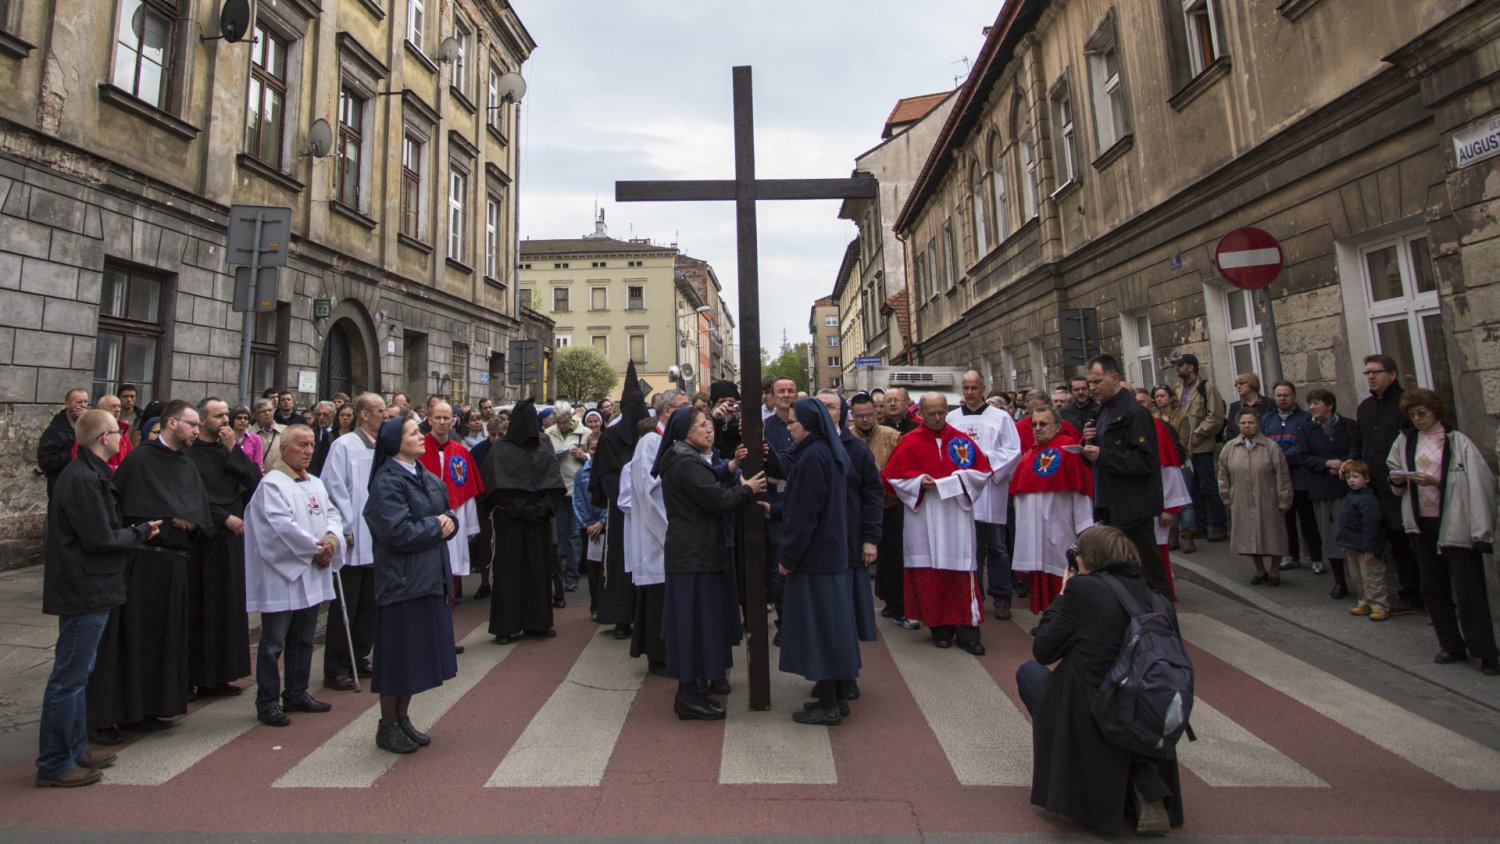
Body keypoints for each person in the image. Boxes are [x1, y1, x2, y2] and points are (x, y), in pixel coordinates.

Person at [1015, 525, 1184, 837]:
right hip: (1147, 713)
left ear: (1088, 559)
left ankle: (1080, 776)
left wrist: (1063, 594)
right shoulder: (1158, 599)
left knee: (1029, 673)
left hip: (1095, 715)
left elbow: (1044, 650)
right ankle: (1143, 779)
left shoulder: (1084, 591)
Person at [37, 409, 159, 788]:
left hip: (91, 585)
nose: (121, 437)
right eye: (116, 431)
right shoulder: (83, 480)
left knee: (79, 674)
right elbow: (100, 539)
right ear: (102, 438)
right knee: (69, 678)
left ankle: (74, 748)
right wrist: (139, 534)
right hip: (83, 588)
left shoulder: (90, 475)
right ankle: (56, 762)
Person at [89, 400, 212, 741]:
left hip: (175, 563)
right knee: (131, 642)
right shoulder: (140, 459)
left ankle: (149, 708)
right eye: (191, 423)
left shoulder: (188, 462)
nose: (196, 430)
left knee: (163, 641)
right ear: (171, 424)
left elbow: (198, 508)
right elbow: (127, 509)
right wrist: (170, 520)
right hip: (142, 565)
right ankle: (118, 713)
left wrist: (191, 523)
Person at [657, 407, 766, 720]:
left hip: (695, 552)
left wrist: (730, 467)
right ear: (685, 432)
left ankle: (696, 686)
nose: (710, 430)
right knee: (691, 625)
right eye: (702, 425)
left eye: (710, 425)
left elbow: (707, 482)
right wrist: (746, 489)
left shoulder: (686, 458)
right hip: (694, 555)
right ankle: (688, 696)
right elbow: (717, 499)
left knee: (698, 623)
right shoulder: (685, 462)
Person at [364, 416, 459, 753]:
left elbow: (447, 513)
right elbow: (395, 531)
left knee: (414, 657)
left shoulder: (426, 477)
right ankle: (387, 725)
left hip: (428, 576)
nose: (421, 436)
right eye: (413, 432)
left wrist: (449, 522)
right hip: (402, 580)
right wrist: (437, 526)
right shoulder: (386, 481)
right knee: (397, 657)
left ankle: (402, 719)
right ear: (395, 442)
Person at [1386, 388, 1498, 675]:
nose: (1417, 419)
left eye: (1421, 413)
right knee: (1433, 588)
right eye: (1412, 415)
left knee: (1468, 589)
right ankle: (1451, 644)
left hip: (1455, 522)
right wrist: (1397, 479)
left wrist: (1435, 481)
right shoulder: (1406, 440)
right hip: (1422, 524)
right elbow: (1394, 471)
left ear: (1435, 411)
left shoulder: (1457, 441)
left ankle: (1485, 651)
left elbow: (1479, 482)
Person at [242, 425, 343, 727]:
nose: (309, 450)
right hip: (283, 575)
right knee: (273, 643)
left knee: (303, 638)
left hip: (312, 571)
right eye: (302, 445)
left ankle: (297, 692)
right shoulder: (272, 485)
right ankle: (268, 701)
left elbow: (333, 515)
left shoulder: (315, 482)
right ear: (284, 449)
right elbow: (279, 527)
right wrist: (316, 549)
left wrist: (331, 541)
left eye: (311, 444)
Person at [881, 392, 994, 654]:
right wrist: (918, 482)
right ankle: (939, 628)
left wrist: (959, 480)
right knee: (929, 571)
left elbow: (981, 473)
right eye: (931, 413)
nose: (937, 418)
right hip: (925, 516)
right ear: (920, 413)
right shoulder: (909, 442)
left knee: (961, 570)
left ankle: (968, 631)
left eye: (941, 412)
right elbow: (892, 478)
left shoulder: (961, 440)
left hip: (956, 515)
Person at [773, 398, 861, 724]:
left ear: (808, 425)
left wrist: (789, 558)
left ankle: (828, 704)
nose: (789, 427)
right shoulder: (827, 451)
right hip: (831, 555)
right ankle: (836, 694)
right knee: (832, 627)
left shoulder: (812, 457)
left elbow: (804, 515)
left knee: (820, 630)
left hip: (815, 558)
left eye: (793, 422)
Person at [184, 398, 260, 698]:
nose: (226, 421)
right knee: (199, 608)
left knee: (227, 607)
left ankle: (219, 675)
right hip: (203, 539)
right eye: (219, 416)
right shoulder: (189, 454)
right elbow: (191, 494)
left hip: (231, 540)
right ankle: (192, 675)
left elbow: (253, 481)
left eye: (227, 415)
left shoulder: (229, 449)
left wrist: (233, 450)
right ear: (202, 420)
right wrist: (222, 518)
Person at [1080, 355, 1168, 595]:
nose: (1092, 388)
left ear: (1115, 378)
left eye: (1097, 382)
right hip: (1109, 502)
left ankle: (1162, 623)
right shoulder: (1101, 412)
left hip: (1132, 506)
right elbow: (1096, 456)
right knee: (1118, 572)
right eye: (1090, 383)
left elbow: (1145, 460)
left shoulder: (1134, 413)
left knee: (1146, 570)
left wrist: (1104, 455)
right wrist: (1087, 443)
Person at [483, 399, 566, 644]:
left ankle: (537, 622)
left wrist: (544, 507)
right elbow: (495, 489)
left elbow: (554, 485)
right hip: (511, 522)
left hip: (538, 521)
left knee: (539, 571)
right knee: (509, 572)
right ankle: (506, 626)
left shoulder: (542, 449)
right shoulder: (499, 451)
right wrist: (518, 508)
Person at [319, 392, 386, 692]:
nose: (385, 415)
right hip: (352, 537)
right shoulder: (343, 446)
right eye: (379, 410)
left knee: (370, 603)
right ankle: (335, 667)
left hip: (376, 536)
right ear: (363, 414)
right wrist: (344, 526)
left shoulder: (383, 447)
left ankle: (359, 654)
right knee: (347, 603)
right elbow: (333, 490)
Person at [947, 371, 1022, 619]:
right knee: (971, 548)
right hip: (965, 489)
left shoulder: (1000, 418)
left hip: (991, 489)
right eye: (966, 388)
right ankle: (974, 596)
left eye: (974, 388)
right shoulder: (952, 418)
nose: (969, 393)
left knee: (997, 547)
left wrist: (985, 462)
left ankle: (1002, 597)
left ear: (983, 388)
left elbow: (1012, 450)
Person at [625, 389, 691, 670]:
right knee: (658, 596)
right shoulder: (651, 442)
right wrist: (668, 532)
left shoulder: (672, 439)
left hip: (674, 529)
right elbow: (650, 491)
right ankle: (659, 656)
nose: (691, 411)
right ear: (667, 411)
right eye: (684, 406)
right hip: (659, 533)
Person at [818, 390, 883, 662]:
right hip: (821, 545)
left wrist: (871, 538)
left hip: (851, 540)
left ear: (842, 413)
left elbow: (872, 494)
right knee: (825, 615)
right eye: (820, 408)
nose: (827, 413)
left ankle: (847, 674)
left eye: (832, 407)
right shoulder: (809, 446)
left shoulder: (856, 449)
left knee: (848, 612)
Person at [1010, 407, 1094, 613]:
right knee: (1040, 576)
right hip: (1035, 532)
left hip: (1062, 527)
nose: (1038, 429)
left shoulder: (1069, 450)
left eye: (1043, 424)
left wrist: (1084, 528)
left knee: (1064, 573)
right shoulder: (1029, 454)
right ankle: (1047, 620)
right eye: (1034, 424)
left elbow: (1080, 492)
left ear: (1057, 426)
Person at [589, 362, 651, 639]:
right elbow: (604, 472)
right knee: (620, 562)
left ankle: (628, 617)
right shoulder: (613, 437)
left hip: (634, 507)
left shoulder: (643, 436)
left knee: (635, 561)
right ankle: (622, 617)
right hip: (627, 509)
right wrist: (627, 497)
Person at [1356, 354, 1422, 613]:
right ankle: (1387, 594)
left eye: (1376, 372)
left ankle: (1419, 595)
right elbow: (1361, 442)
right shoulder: (1365, 407)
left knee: (1409, 544)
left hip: (1402, 488)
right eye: (1367, 373)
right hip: (1373, 488)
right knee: (1388, 544)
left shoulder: (1406, 404)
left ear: (1392, 375)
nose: (1371, 377)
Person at [419, 401, 483, 635]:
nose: (443, 422)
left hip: (455, 520)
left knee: (452, 576)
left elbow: (467, 491)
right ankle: (428, 634)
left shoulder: (461, 451)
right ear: (429, 420)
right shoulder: (418, 448)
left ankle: (446, 635)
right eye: (438, 418)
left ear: (453, 421)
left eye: (447, 418)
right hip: (426, 521)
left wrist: (471, 526)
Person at [1217, 409, 1293, 585]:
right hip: (1241, 498)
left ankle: (1274, 570)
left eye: (1250, 422)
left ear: (1257, 424)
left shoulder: (1271, 447)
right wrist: (1226, 496)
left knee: (1273, 535)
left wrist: (1284, 499)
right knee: (1248, 537)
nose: (1246, 426)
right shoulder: (1230, 448)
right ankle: (1259, 570)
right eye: (1243, 423)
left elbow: (1282, 474)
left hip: (1267, 497)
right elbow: (1223, 474)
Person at [849, 393, 904, 621]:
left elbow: (901, 465)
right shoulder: (847, 438)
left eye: (869, 415)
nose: (865, 420)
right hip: (858, 507)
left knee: (893, 556)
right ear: (852, 416)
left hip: (890, 504)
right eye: (860, 416)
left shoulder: (891, 436)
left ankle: (895, 602)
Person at [1302, 388, 1359, 599]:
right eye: (1310, 403)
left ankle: (1359, 582)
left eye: (1316, 403)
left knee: (1353, 535)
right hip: (1323, 487)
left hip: (1348, 485)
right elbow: (1302, 456)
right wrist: (1325, 464)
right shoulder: (1307, 429)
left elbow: (1356, 448)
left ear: (1329, 405)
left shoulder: (1349, 425)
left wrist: (1346, 464)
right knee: (1330, 537)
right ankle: (1339, 581)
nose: (1312, 407)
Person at [1262, 381, 1321, 572]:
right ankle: (1291, 555)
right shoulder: (1267, 419)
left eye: (1286, 395)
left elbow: (1305, 444)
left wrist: (1282, 458)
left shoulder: (1305, 418)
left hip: (1300, 476)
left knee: (1307, 520)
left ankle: (1316, 558)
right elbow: (1263, 443)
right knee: (1285, 520)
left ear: (1294, 396)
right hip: (1277, 479)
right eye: (1278, 395)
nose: (1282, 399)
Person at [1171, 354, 1228, 546]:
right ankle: (1199, 525)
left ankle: (1219, 526)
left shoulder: (1206, 388)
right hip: (1184, 448)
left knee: (1209, 486)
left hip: (1201, 445)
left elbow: (1216, 416)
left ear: (1190, 367)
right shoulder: (1178, 389)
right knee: (1192, 488)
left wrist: (1197, 434)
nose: (1177, 369)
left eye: (1180, 365)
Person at [1336, 461, 1388, 621]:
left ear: (1366, 479)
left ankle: (1379, 605)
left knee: (1371, 576)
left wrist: (1369, 548)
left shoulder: (1368, 500)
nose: (1352, 480)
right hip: (1352, 544)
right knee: (1356, 576)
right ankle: (1364, 600)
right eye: (1349, 477)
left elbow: (1371, 525)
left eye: (1356, 477)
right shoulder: (1350, 497)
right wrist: (1343, 542)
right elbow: (1345, 522)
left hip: (1366, 547)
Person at [547, 401, 590, 591]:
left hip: (576, 488)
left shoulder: (584, 432)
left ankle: (572, 575)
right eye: (559, 422)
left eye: (565, 422)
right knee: (559, 533)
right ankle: (560, 572)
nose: (562, 425)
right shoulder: (549, 434)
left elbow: (596, 457)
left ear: (571, 418)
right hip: (557, 487)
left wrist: (584, 455)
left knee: (573, 533)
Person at [574, 431, 607, 619]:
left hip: (603, 526)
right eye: (592, 449)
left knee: (605, 568)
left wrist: (602, 522)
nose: (595, 452)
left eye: (598, 448)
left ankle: (605, 605)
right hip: (589, 529)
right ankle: (594, 605)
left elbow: (611, 498)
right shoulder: (582, 473)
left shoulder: (608, 471)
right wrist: (588, 524)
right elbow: (577, 500)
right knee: (593, 569)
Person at [37, 388, 89, 498]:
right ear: (67, 404)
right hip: (61, 483)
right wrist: (74, 453)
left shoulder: (89, 426)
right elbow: (46, 462)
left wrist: (88, 421)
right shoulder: (55, 430)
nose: (83, 406)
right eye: (79, 402)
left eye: (86, 402)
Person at [1223, 372, 1268, 447]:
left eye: (1242, 383)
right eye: (1236, 384)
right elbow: (1230, 431)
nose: (1238, 386)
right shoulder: (1235, 406)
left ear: (1252, 383)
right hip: (1240, 448)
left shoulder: (1269, 404)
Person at [253, 398, 288, 476]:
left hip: (281, 478)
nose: (267, 413)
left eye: (270, 410)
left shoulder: (285, 430)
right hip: (258, 480)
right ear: (256, 415)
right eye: (263, 411)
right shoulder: (249, 434)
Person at [230, 406, 263, 470]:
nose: (243, 421)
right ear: (232, 420)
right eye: (239, 418)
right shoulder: (226, 437)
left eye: (246, 418)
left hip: (249, 476)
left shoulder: (256, 439)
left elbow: (258, 464)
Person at [309, 401, 337, 476]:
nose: (321, 418)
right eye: (318, 415)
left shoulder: (337, 434)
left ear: (333, 416)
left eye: (325, 415)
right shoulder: (311, 433)